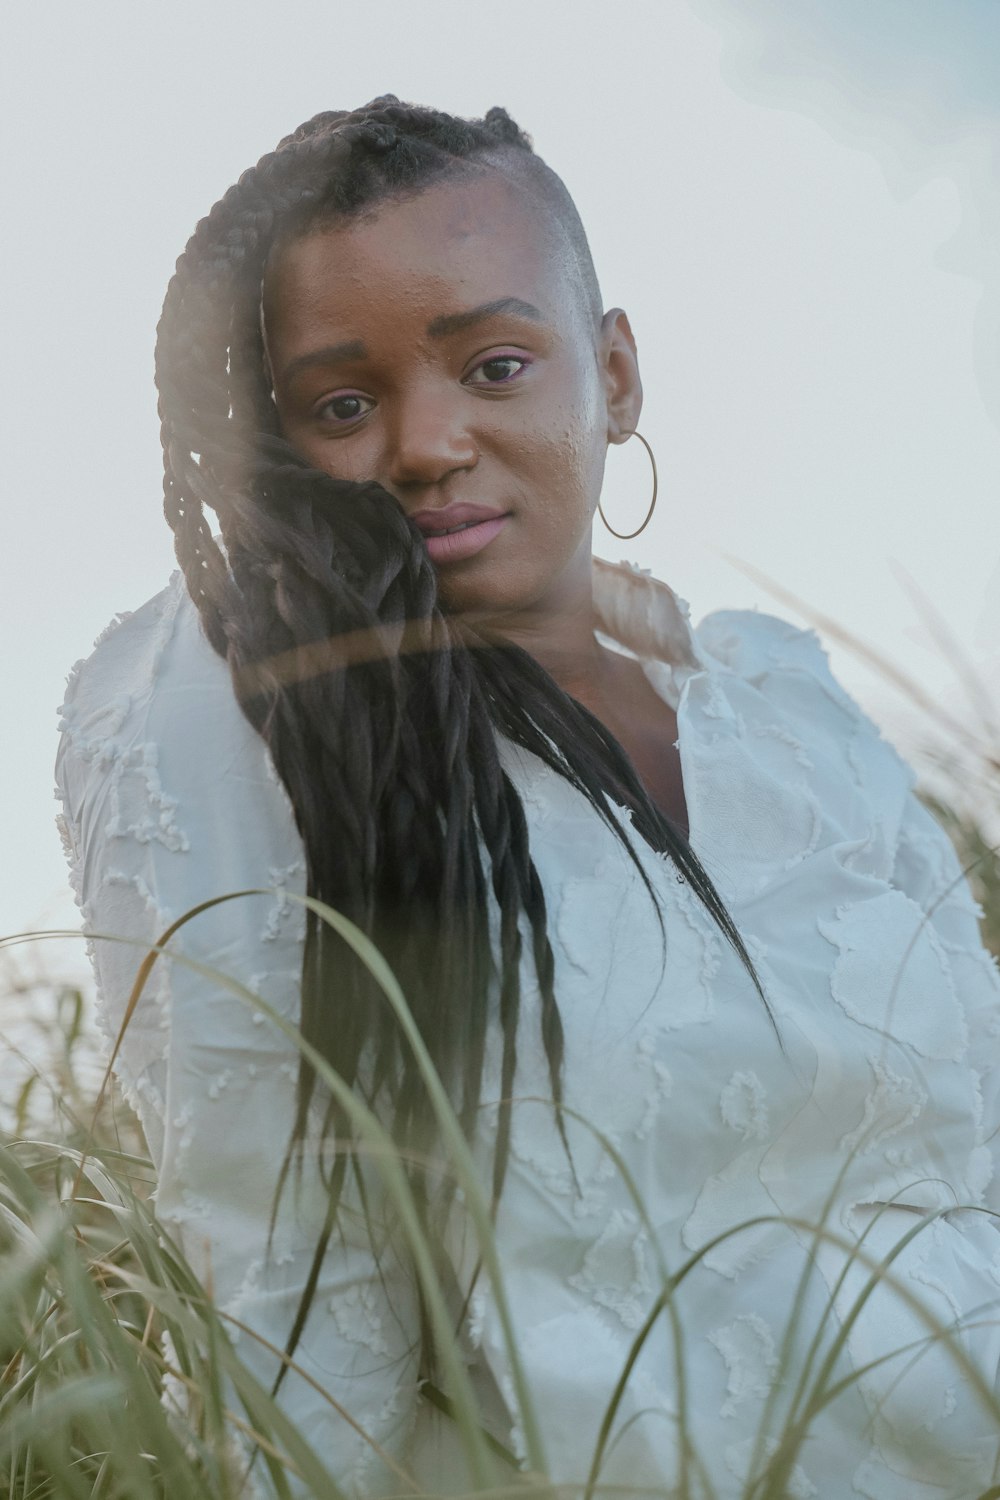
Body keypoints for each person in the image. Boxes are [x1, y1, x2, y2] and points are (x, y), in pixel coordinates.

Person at [55, 97, 1000, 1498]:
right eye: (342, 402)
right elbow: (291, 1334)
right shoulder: (254, 707)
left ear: (613, 375)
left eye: (496, 363)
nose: (429, 441)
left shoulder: (782, 702)